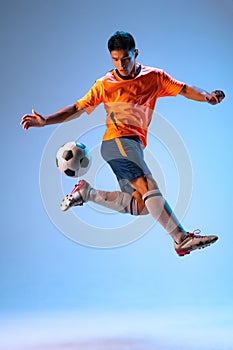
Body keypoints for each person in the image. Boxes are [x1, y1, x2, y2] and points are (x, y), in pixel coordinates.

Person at [20, 31, 225, 257]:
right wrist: (46, 120)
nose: (121, 64)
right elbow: (77, 108)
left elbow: (184, 89)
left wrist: (207, 96)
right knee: (149, 186)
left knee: (142, 205)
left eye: (125, 58)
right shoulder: (104, 84)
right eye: (115, 59)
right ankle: (181, 238)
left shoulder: (154, 77)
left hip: (135, 145)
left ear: (135, 54)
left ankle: (87, 193)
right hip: (117, 140)